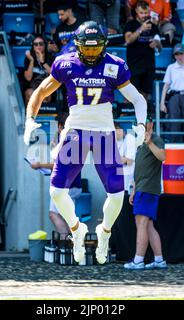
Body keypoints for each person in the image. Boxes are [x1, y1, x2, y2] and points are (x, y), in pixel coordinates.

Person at [23, 21, 148, 265]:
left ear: (103, 46)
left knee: (117, 195)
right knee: (57, 191)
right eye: (87, 49)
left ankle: (104, 232)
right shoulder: (66, 63)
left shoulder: (114, 65)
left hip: (103, 132)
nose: (91, 54)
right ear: (78, 46)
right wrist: (30, 119)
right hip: (75, 131)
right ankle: (76, 229)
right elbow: (39, 93)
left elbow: (138, 100)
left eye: (95, 49)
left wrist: (142, 125)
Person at [124, 117, 167, 270]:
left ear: (150, 124)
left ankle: (138, 260)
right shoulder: (140, 142)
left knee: (141, 223)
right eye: (138, 124)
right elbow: (139, 169)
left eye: (143, 123)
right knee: (148, 225)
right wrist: (134, 190)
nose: (140, 127)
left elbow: (163, 157)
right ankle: (159, 260)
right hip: (142, 188)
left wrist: (149, 142)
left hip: (148, 188)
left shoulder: (155, 139)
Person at [30, 113, 82, 235]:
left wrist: (39, 165)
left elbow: (59, 165)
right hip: (71, 185)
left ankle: (69, 243)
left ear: (60, 127)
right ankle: (73, 245)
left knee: (54, 215)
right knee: (66, 217)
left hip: (66, 186)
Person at [160, 43, 184, 143]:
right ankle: (174, 146)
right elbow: (166, 86)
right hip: (174, 96)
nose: (179, 56)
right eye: (176, 54)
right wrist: (162, 103)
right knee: (174, 122)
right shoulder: (171, 67)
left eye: (181, 53)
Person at [124, 0, 162, 101]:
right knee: (131, 95)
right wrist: (141, 29)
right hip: (134, 65)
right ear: (136, 11)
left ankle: (142, 116)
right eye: (141, 13)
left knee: (145, 95)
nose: (144, 15)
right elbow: (128, 40)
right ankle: (128, 115)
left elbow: (160, 48)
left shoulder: (153, 26)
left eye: (146, 13)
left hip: (149, 65)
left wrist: (157, 43)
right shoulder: (130, 24)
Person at [23, 35, 54, 104]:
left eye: (41, 44)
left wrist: (43, 62)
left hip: (46, 87)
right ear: (33, 47)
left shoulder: (50, 58)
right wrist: (31, 61)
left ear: (44, 45)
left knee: (44, 95)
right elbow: (28, 78)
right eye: (36, 44)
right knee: (29, 94)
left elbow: (54, 74)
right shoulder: (28, 59)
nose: (38, 46)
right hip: (32, 87)